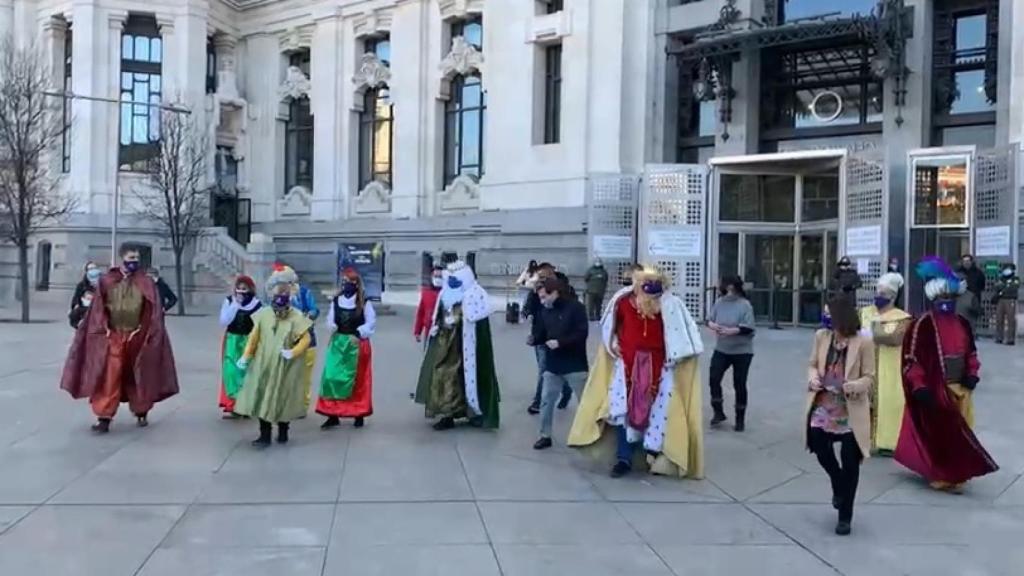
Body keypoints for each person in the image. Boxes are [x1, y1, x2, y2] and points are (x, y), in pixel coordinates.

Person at [568, 266, 704, 480]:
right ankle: (624, 458)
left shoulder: (671, 305)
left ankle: (654, 456)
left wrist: (676, 355)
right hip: (627, 367)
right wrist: (613, 343)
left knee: (659, 413)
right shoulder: (622, 302)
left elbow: (684, 337)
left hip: (661, 368)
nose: (650, 291)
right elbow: (610, 328)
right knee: (623, 411)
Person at [895, 257, 998, 493]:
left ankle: (957, 474)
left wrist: (972, 373)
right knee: (940, 436)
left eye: (950, 297)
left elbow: (971, 353)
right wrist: (920, 386)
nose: (946, 301)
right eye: (942, 297)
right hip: (935, 390)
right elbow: (912, 360)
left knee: (960, 436)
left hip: (961, 390)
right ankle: (942, 475)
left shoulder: (962, 323)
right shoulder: (921, 325)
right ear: (933, 298)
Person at [60, 245, 179, 433]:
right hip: (114, 335)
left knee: (137, 374)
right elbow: (98, 309)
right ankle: (104, 416)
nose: (134, 261)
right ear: (122, 258)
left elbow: (152, 311)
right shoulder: (108, 281)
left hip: (137, 336)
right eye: (131, 257)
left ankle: (141, 410)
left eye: (137, 258)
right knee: (110, 376)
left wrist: (144, 331)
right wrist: (104, 330)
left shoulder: (146, 282)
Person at [805, 297, 874, 536]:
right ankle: (837, 480)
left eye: (829, 314)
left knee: (850, 460)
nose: (826, 318)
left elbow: (869, 376)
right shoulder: (822, 337)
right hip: (824, 402)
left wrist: (853, 386)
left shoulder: (864, 341)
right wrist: (813, 378)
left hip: (851, 406)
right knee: (817, 442)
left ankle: (845, 515)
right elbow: (812, 364)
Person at [414, 261, 501, 430]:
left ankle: (473, 413)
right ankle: (447, 414)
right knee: (444, 377)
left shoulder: (475, 295)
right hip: (445, 345)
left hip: (466, 347)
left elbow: (477, 321)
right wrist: (438, 326)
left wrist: (458, 321)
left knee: (467, 380)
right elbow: (439, 314)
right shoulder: (445, 293)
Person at [234, 264, 313, 447]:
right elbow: (254, 337)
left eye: (283, 302)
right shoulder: (263, 315)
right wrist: (246, 356)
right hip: (263, 364)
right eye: (277, 302)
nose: (279, 309)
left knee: (282, 398)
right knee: (262, 397)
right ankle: (265, 435)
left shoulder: (296, 317)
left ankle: (283, 431)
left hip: (284, 367)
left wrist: (293, 352)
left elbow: (306, 339)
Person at [531, 276, 589, 450]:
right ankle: (545, 435)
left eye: (544, 297)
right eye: (540, 298)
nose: (542, 301)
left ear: (555, 293)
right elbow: (542, 333)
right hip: (553, 364)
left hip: (575, 363)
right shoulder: (544, 311)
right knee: (546, 400)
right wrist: (535, 339)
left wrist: (560, 342)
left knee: (585, 402)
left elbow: (582, 333)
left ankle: (586, 434)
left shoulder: (576, 308)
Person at [858, 272, 911, 454]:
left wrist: (872, 331)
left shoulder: (902, 317)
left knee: (889, 404)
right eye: (878, 292)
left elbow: (894, 338)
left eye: (884, 293)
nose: (879, 296)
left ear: (893, 296)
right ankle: (864, 440)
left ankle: (888, 442)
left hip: (890, 368)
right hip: (866, 365)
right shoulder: (865, 313)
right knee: (864, 403)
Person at [317, 268, 376, 429]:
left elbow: (371, 322)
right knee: (331, 377)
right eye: (344, 281)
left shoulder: (364, 302)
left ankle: (358, 413)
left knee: (358, 380)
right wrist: (332, 326)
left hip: (356, 343)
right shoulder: (336, 301)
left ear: (356, 284)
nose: (346, 284)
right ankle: (332, 414)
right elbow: (330, 319)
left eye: (350, 282)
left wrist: (359, 333)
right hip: (338, 343)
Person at [707, 275, 755, 431]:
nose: (718, 286)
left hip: (742, 351)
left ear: (730, 287)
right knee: (714, 378)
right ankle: (718, 411)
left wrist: (732, 331)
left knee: (739, 383)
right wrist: (713, 325)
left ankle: (740, 419)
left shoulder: (744, 305)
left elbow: (749, 327)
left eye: (721, 283)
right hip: (722, 348)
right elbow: (710, 319)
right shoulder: (719, 303)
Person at [525, 263, 572, 415]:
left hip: (559, 336)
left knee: (548, 370)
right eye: (540, 277)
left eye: (544, 277)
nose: (541, 279)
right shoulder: (536, 290)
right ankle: (563, 390)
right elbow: (529, 307)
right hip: (540, 336)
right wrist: (528, 313)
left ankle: (539, 402)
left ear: (552, 275)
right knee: (544, 369)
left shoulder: (565, 290)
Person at [217, 275, 262, 418]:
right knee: (231, 372)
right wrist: (235, 305)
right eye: (239, 288)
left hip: (248, 341)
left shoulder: (256, 304)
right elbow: (224, 321)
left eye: (244, 288)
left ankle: (246, 405)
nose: (241, 291)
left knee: (246, 373)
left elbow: (260, 325)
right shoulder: (229, 301)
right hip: (232, 340)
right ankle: (233, 404)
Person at [290, 270, 321, 410]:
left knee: (304, 375)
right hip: (286, 342)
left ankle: (302, 404)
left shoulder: (304, 293)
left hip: (306, 340)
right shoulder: (276, 296)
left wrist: (307, 317)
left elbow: (314, 310)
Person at [414, 265, 444, 344]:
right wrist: (417, 331)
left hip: (444, 332)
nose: (438, 279)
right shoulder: (426, 293)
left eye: (440, 277)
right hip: (429, 330)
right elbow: (420, 312)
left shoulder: (447, 293)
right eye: (436, 276)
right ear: (432, 277)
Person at [992, 263, 1019, 345]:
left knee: (1011, 319)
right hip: (1000, 300)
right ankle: (999, 337)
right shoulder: (1000, 278)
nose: (1007, 270)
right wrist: (1006, 286)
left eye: (1009, 268)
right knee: (999, 319)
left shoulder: (1015, 278)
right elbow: (996, 287)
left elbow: (1013, 288)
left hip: (1010, 299)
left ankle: (1010, 339)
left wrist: (1003, 288)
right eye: (1005, 268)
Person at [583, 257, 609, 321]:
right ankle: (591, 316)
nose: (598, 263)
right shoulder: (590, 270)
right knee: (590, 305)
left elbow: (606, 279)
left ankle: (597, 315)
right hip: (591, 291)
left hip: (600, 291)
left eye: (599, 262)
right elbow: (586, 278)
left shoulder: (603, 271)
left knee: (598, 305)